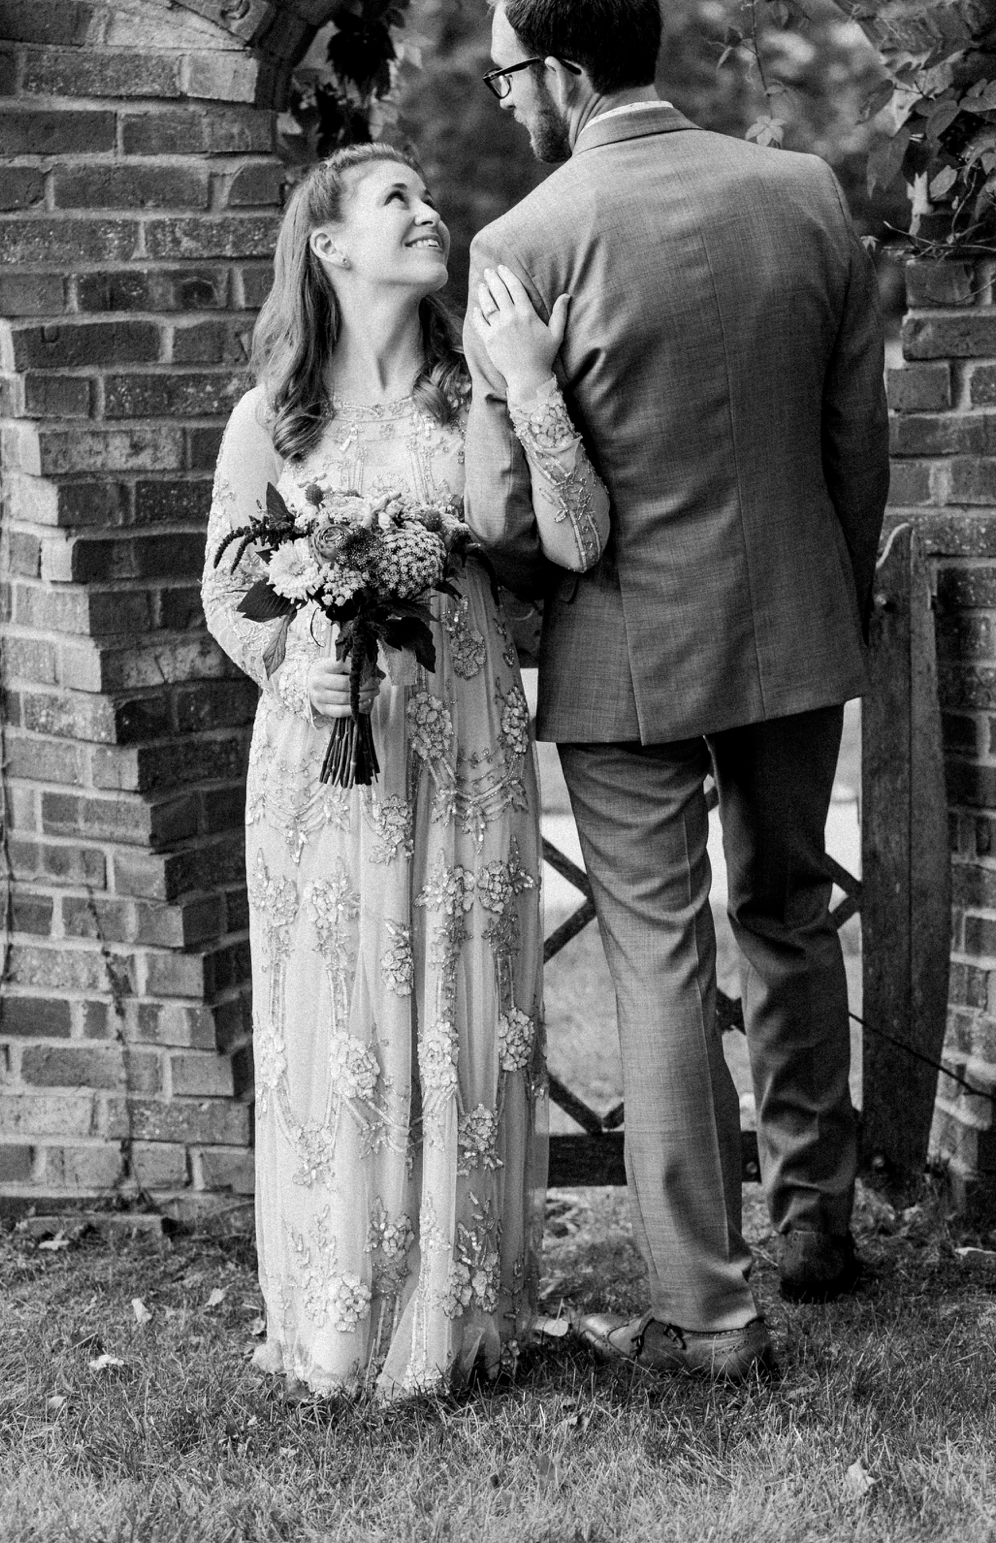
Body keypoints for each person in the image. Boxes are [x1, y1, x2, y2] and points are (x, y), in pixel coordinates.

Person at [463, 0, 890, 1382]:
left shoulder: (525, 245)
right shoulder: (806, 192)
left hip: (626, 644)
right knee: (788, 912)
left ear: (564, 71)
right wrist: (829, 591)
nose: (505, 100)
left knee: (658, 956)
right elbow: (856, 438)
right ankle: (817, 1224)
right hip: (796, 619)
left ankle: (706, 1311)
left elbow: (507, 518)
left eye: (507, 75)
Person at [201, 142, 609, 1400]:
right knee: (346, 1025)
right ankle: (342, 1314)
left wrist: (529, 390)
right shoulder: (270, 418)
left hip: (468, 737)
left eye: (430, 196)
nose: (431, 214)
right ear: (329, 246)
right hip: (331, 755)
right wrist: (292, 665)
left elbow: (572, 536)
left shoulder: (472, 387)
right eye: (399, 201)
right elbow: (225, 590)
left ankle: (457, 1311)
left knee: (467, 1005)